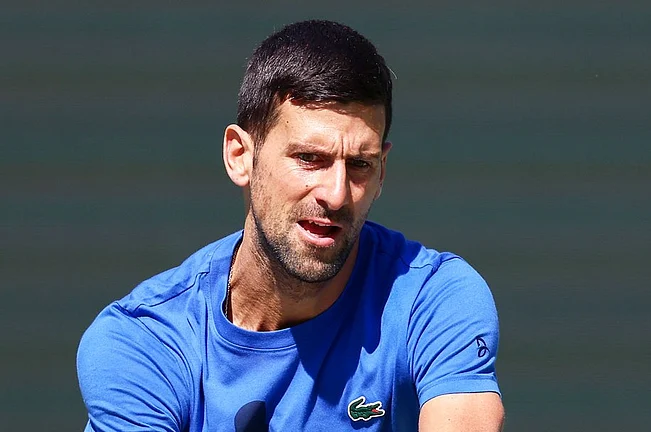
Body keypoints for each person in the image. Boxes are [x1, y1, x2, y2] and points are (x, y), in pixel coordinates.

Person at [77, 20, 504, 432]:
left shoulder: (435, 298)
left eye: (360, 164)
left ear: (382, 171)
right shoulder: (144, 341)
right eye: (308, 158)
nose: (337, 194)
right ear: (240, 156)